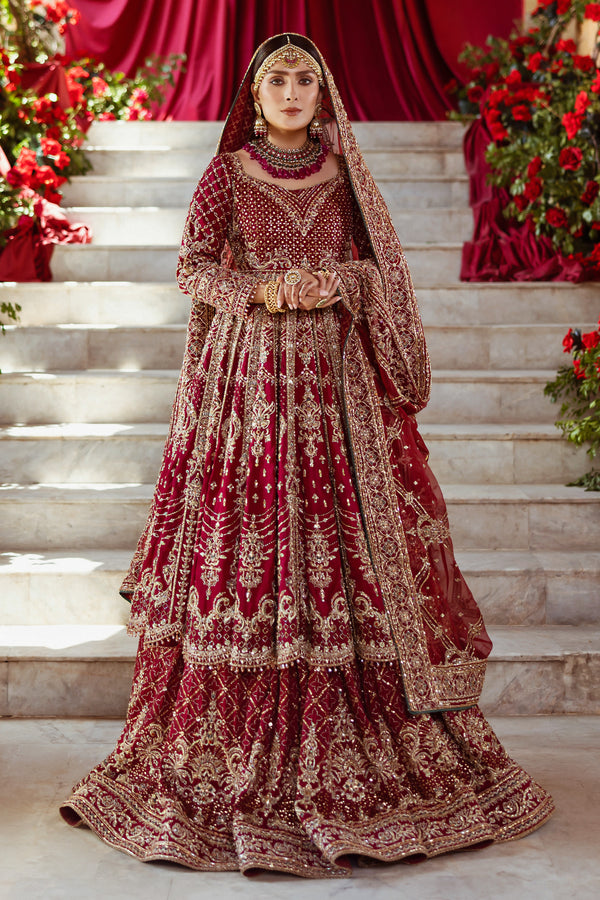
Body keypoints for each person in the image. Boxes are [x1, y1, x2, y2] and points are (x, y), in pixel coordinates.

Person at [60, 33, 554, 878]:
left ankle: (362, 738)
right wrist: (257, 290)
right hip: (247, 390)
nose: (291, 90)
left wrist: (337, 282)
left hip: (337, 397)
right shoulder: (225, 176)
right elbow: (192, 269)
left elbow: (379, 275)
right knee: (246, 542)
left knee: (344, 549)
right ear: (254, 96)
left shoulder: (348, 179)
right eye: (277, 79)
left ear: (324, 96)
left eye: (306, 79)